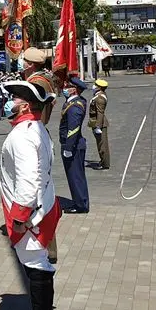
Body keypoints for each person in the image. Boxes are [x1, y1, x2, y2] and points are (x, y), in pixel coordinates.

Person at [0, 77, 61, 310]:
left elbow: (27, 178)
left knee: (37, 266)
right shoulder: (36, 128)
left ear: (25, 107)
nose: (9, 103)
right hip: (42, 206)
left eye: (14, 99)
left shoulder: (23, 135)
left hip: (31, 215)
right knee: (39, 263)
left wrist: (21, 217)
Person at [60, 78, 89, 214]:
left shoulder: (75, 105)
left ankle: (80, 205)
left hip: (73, 146)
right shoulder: (74, 102)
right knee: (76, 176)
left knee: (75, 176)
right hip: (75, 145)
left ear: (75, 89)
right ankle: (80, 201)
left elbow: (74, 128)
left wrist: (68, 147)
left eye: (68, 86)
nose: (65, 87)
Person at [88, 79, 111, 170]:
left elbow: (100, 113)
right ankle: (103, 161)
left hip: (99, 123)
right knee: (100, 143)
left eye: (96, 85)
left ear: (100, 87)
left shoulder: (100, 98)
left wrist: (98, 126)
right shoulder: (98, 96)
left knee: (102, 145)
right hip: (96, 121)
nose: (94, 86)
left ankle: (105, 163)